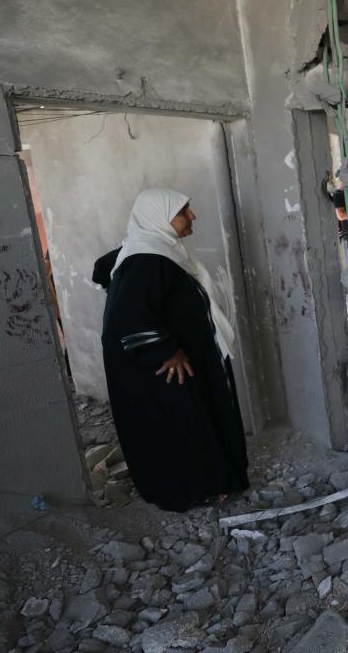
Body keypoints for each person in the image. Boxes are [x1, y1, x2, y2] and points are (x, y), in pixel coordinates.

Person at [99, 189, 249, 511]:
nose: (192, 216)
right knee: (180, 425)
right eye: (183, 211)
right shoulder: (146, 260)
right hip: (161, 369)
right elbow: (130, 315)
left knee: (195, 418)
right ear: (158, 217)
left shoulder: (158, 251)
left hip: (181, 359)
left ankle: (213, 480)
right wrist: (166, 352)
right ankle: (193, 489)